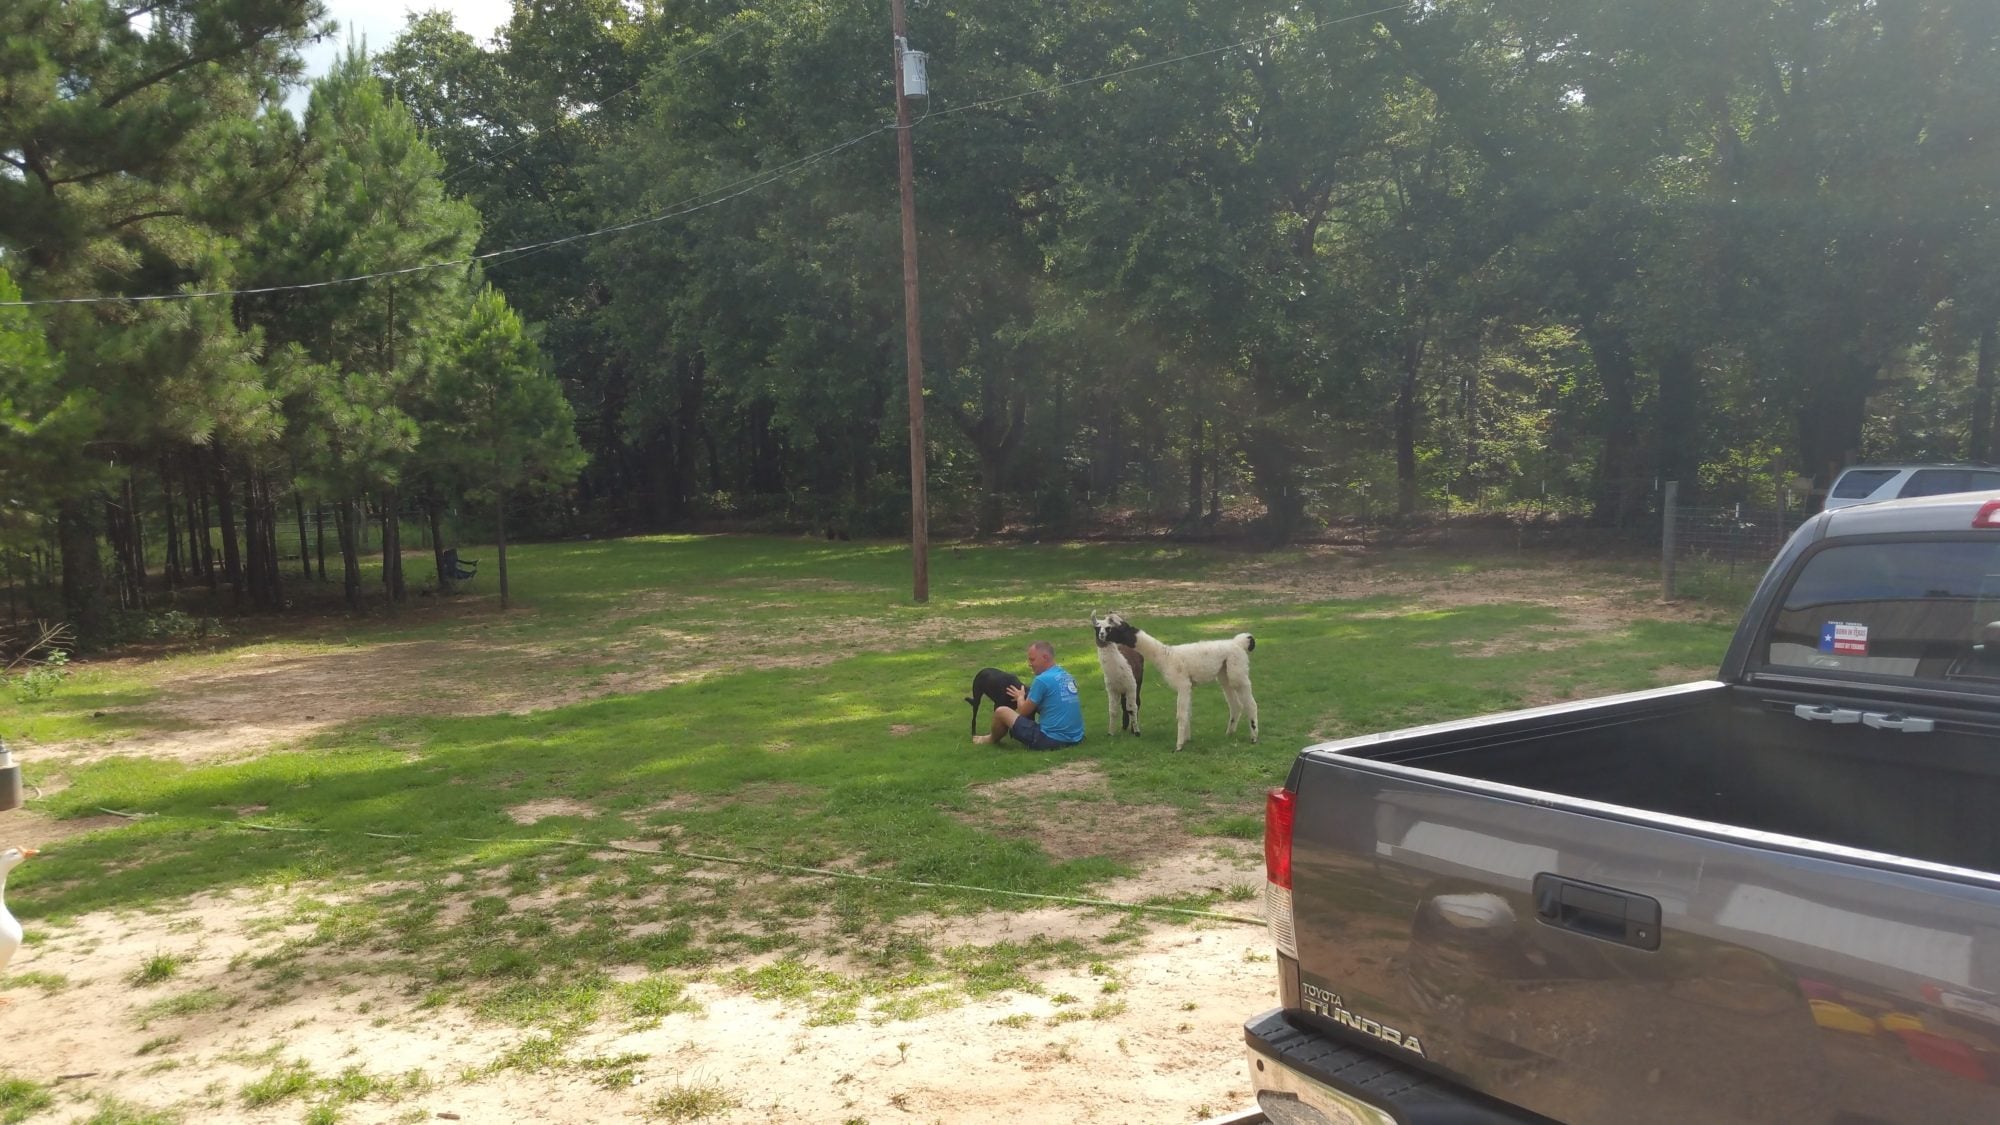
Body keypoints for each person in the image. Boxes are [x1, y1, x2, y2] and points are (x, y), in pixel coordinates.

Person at [972, 640, 1086, 750]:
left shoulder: (1042, 680)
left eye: (1032, 659)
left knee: (1001, 711)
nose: (1029, 664)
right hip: (1076, 737)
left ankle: (990, 739)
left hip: (1050, 740)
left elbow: (1023, 712)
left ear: (1045, 657)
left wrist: (1020, 697)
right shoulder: (1067, 676)